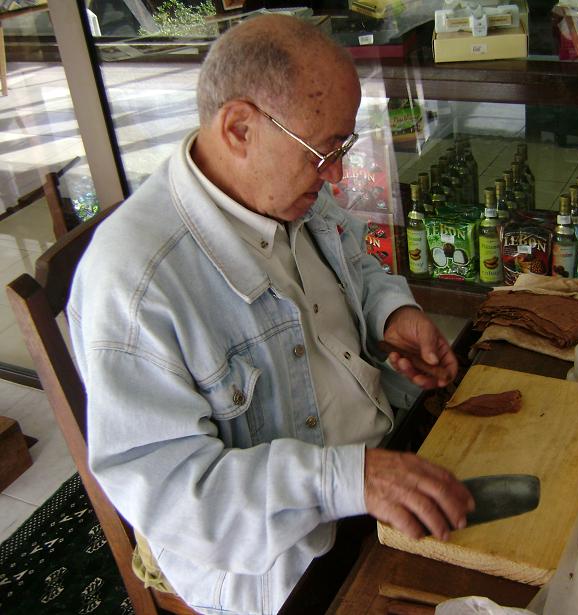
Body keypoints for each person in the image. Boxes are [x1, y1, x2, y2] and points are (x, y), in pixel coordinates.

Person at [68, 14, 474, 615]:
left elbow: (355, 262)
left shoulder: (285, 186)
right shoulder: (135, 286)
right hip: (287, 559)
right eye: (323, 152)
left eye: (343, 148)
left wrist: (390, 314)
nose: (336, 174)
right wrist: (349, 479)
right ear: (239, 128)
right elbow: (178, 500)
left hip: (384, 452)